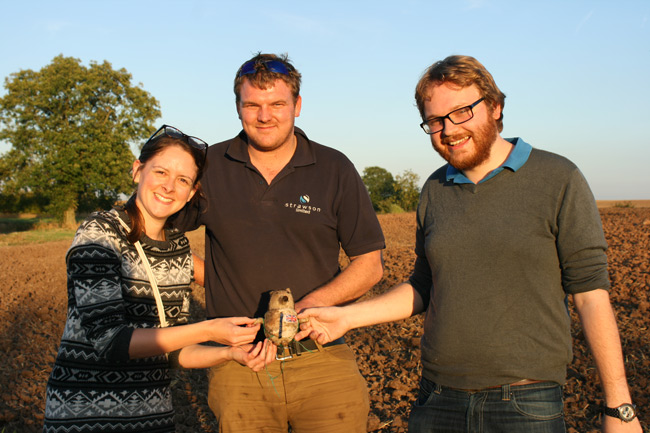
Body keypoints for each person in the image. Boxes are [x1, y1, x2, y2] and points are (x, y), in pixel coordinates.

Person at [297, 55, 642, 433]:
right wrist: (346, 317)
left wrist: (619, 407)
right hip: (437, 398)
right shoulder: (434, 189)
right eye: (435, 121)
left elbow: (591, 294)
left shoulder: (558, 178)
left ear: (495, 107)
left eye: (462, 112)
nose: (448, 129)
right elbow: (424, 287)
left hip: (525, 403)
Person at [172, 53, 385, 432]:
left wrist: (302, 310)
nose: (264, 116)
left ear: (297, 106)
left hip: (322, 356)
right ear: (238, 107)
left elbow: (369, 264)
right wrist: (214, 279)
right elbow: (160, 239)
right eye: (252, 105)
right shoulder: (209, 165)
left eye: (277, 104)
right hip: (240, 362)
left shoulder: (333, 168)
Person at [43, 125, 270, 433]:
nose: (169, 187)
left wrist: (229, 352)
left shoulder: (178, 246)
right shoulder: (101, 233)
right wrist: (208, 328)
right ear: (138, 171)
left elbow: (174, 347)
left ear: (191, 192)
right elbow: (112, 341)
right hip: (86, 417)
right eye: (161, 172)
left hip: (152, 417)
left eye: (183, 180)